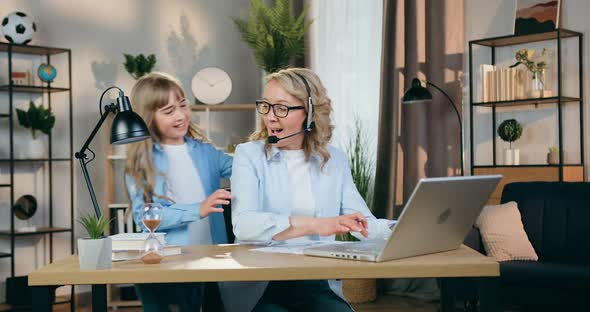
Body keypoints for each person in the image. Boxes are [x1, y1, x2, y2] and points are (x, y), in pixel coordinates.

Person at [231, 68, 392, 312]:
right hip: (264, 283)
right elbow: (244, 225)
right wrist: (318, 224)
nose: (271, 117)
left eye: (282, 108)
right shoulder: (249, 155)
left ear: (309, 113)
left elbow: (361, 223)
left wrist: (398, 230)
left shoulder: (334, 160)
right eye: (266, 106)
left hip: (315, 281)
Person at [124, 72, 232, 312]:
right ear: (149, 117)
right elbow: (145, 218)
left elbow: (243, 169)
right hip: (174, 262)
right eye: (168, 110)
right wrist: (198, 209)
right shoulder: (143, 162)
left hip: (215, 259)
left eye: (183, 105)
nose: (181, 115)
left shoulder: (207, 152)